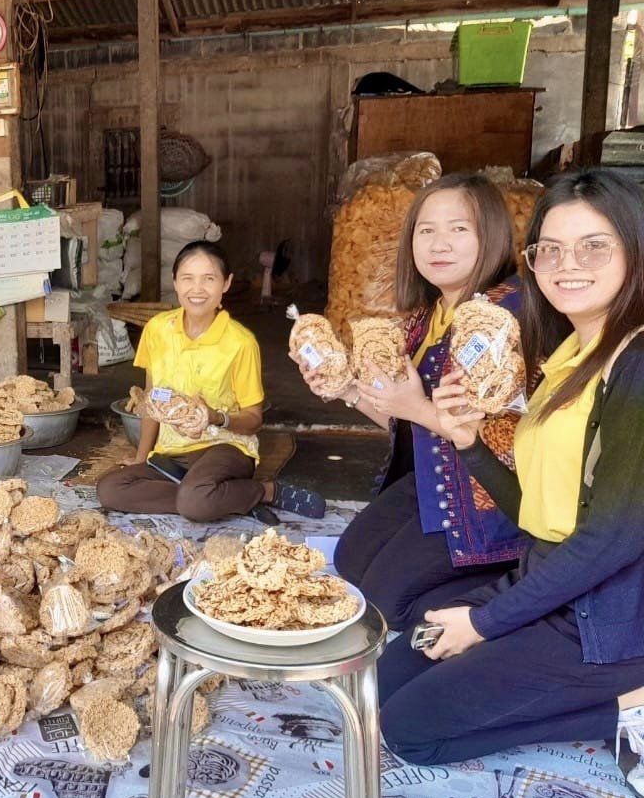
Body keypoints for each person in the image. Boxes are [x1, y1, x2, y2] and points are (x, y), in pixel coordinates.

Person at [380, 168, 644, 766]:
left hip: (608, 618)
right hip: (550, 578)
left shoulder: (636, 364)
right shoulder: (572, 355)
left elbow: (614, 538)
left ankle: (622, 705)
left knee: (408, 731)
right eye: (550, 249)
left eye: (593, 246)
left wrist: (484, 622)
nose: (566, 265)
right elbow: (535, 511)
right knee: (388, 675)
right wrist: (468, 442)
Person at [304, 173, 526, 630]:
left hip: (489, 499)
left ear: (492, 233)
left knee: (386, 606)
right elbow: (404, 418)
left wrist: (419, 409)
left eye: (459, 229)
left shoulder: (506, 315)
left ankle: (517, 590)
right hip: (433, 480)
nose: (438, 244)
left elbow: (512, 439)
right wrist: (345, 388)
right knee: (350, 560)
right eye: (426, 230)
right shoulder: (426, 317)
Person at [98, 240, 324, 525]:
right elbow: (153, 400)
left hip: (226, 448)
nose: (197, 289)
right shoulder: (157, 329)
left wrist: (215, 417)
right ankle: (223, 497)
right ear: (175, 282)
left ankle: (264, 491)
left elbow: (254, 420)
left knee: (195, 501)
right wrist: (142, 458)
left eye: (209, 279)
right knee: (109, 489)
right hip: (172, 454)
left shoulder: (240, 342)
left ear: (226, 284)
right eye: (187, 278)